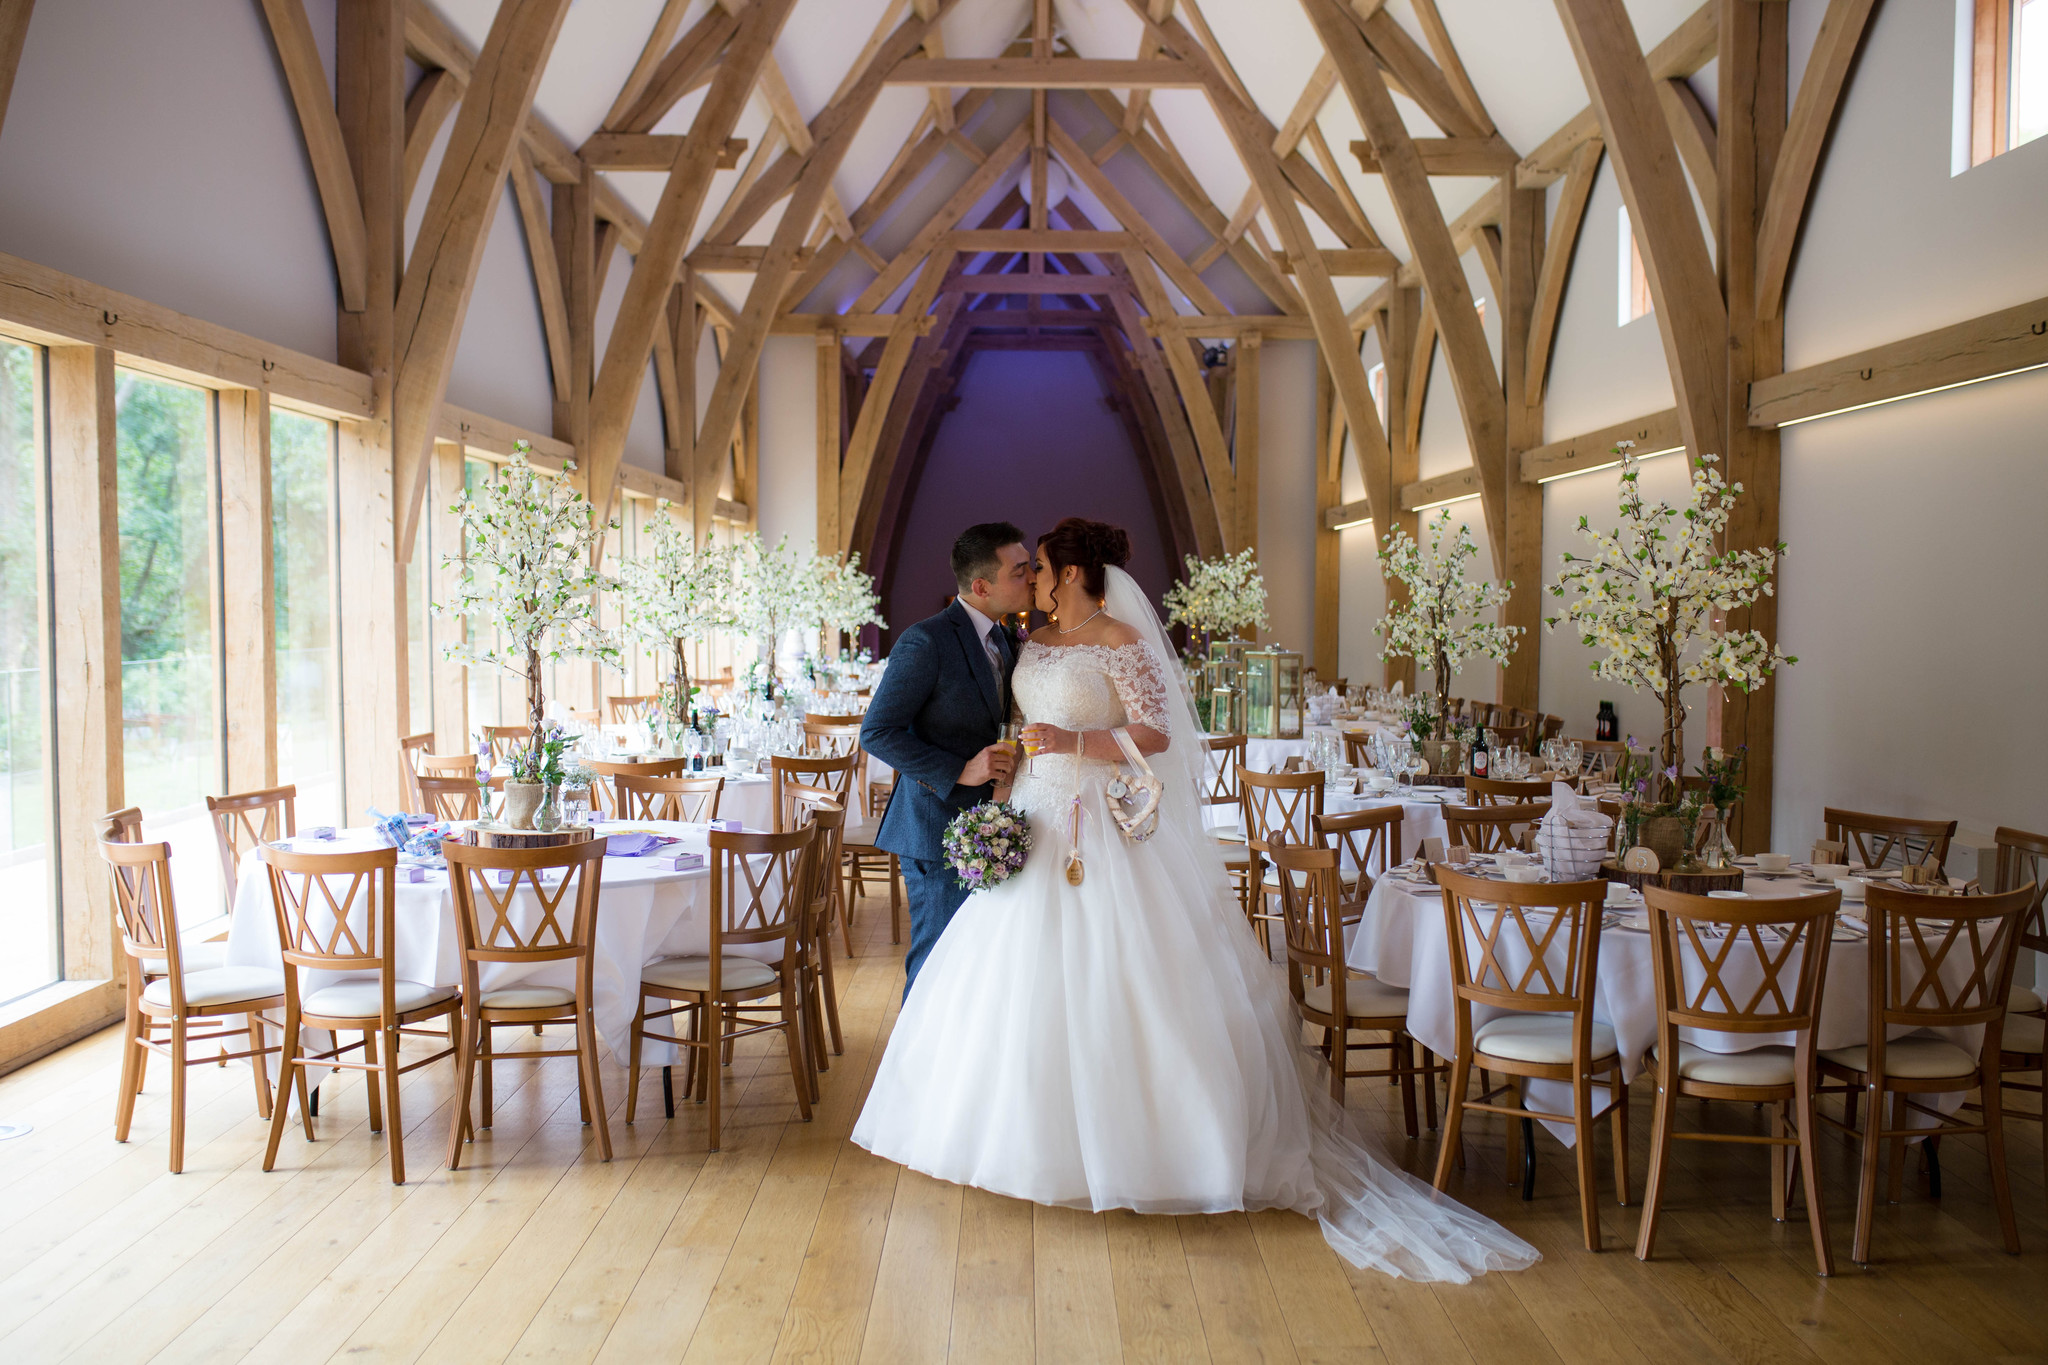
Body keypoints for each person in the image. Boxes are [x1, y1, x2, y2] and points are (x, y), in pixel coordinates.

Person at [852, 517, 1539, 1282]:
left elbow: (1156, 735)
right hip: (1034, 814)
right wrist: (1008, 782)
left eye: (1041, 565)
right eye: (1025, 568)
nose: (1034, 577)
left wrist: (1074, 745)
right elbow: (995, 724)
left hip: (1099, 822)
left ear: (1074, 571)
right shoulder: (1031, 641)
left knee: (1127, 974)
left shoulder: (1118, 640)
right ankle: (997, 1131)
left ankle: (1152, 1145)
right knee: (1000, 974)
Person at [860, 522, 1034, 998]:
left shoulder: (1007, 638)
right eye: (1021, 571)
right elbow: (876, 732)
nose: (1033, 577)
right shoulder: (927, 641)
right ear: (981, 587)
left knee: (977, 966)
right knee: (938, 963)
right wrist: (960, 769)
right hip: (935, 829)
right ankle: (913, 1071)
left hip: (991, 828)